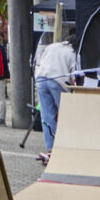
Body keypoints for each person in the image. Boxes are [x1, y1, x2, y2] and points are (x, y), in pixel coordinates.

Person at [33, 30, 80, 164]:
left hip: (41, 79)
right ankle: (65, 146)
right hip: (58, 82)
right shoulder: (73, 52)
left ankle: (51, 148)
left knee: (47, 116)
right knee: (66, 116)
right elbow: (74, 74)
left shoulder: (52, 46)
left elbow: (40, 62)